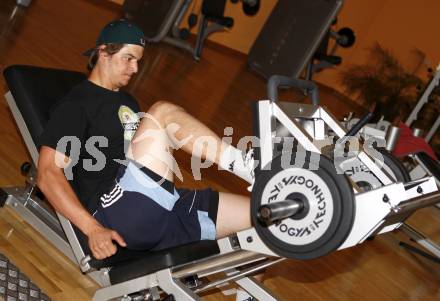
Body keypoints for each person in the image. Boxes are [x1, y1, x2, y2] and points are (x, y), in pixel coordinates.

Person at [37, 19, 256, 272]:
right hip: (116, 207)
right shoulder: (77, 104)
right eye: (129, 58)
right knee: (162, 111)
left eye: (138, 60)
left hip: (162, 208)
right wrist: (93, 229)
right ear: (103, 51)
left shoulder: (128, 102)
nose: (135, 68)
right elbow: (47, 174)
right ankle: (248, 166)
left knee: (263, 218)